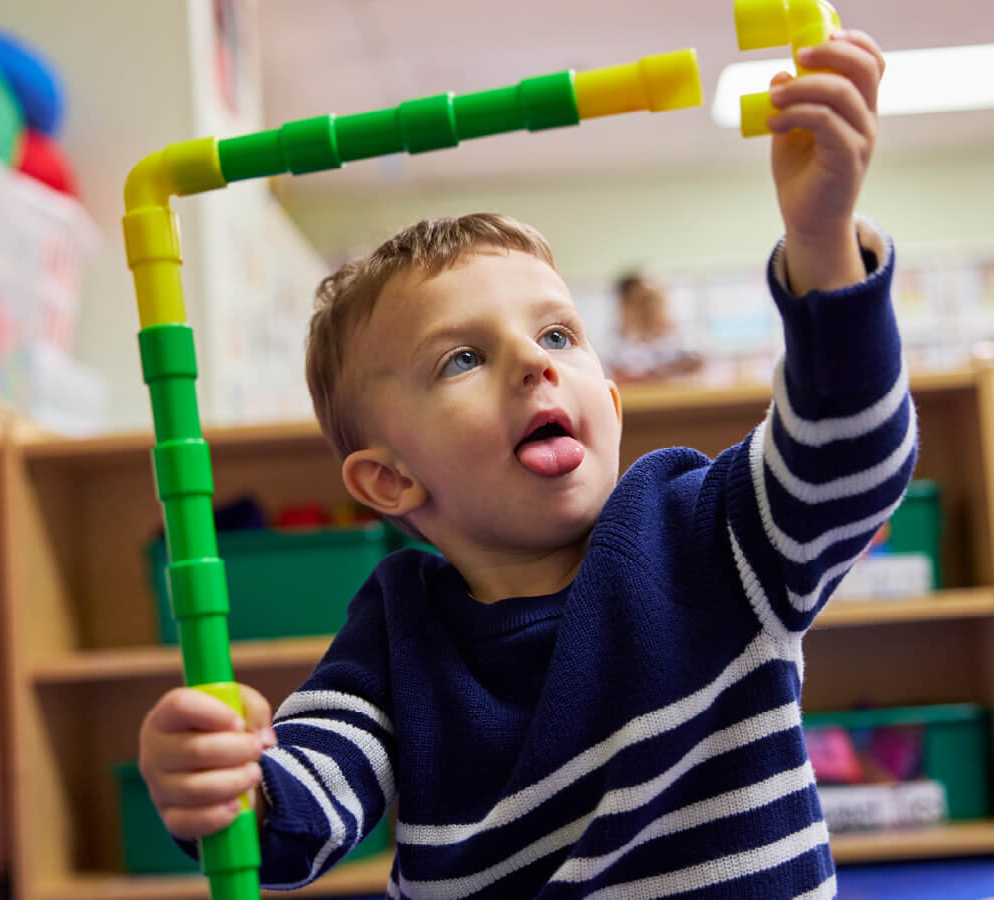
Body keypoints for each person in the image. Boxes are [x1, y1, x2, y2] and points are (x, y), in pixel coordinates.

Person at [139, 30, 913, 898]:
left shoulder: (706, 531)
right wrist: (224, 782)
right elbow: (305, 812)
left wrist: (822, 241)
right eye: (461, 359)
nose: (534, 363)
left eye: (557, 334)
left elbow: (850, 457)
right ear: (391, 480)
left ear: (611, 405)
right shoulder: (396, 635)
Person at [607, 271, 703, 383]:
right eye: (644, 302)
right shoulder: (616, 345)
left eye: (655, 300)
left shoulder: (680, 338)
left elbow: (698, 363)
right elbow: (620, 377)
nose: (651, 309)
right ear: (625, 306)